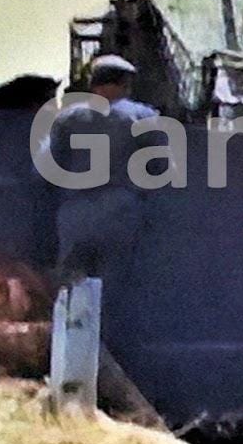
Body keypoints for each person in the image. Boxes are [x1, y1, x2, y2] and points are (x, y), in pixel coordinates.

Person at [47, 54, 162, 279]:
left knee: (72, 283)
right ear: (125, 84)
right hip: (120, 209)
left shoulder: (67, 117)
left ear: (93, 83)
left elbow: (50, 165)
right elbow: (160, 166)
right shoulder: (142, 116)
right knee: (117, 282)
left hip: (75, 211)